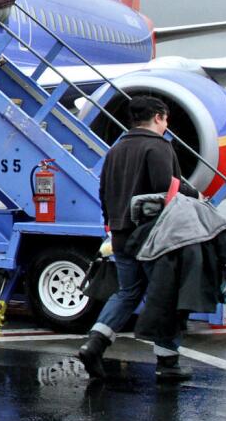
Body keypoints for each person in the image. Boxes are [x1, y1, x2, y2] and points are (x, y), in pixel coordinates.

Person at [77, 95, 196, 382]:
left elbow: (104, 191)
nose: (167, 125)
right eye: (166, 119)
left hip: (120, 233)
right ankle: (168, 363)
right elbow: (165, 191)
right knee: (165, 296)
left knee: (127, 292)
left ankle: (94, 343)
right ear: (158, 117)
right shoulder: (159, 147)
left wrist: (111, 223)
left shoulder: (116, 150)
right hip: (152, 236)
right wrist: (194, 196)